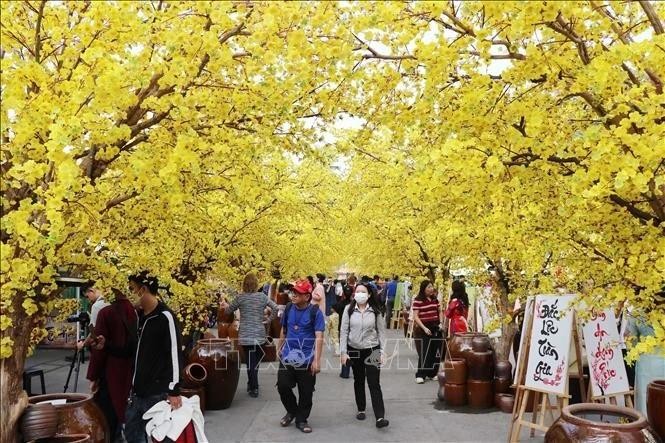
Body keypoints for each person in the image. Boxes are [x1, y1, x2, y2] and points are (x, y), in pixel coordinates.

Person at [124, 272, 184, 443]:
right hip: (137, 392)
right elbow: (135, 351)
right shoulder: (139, 318)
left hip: (158, 393)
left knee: (161, 437)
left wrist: (174, 390)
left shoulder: (165, 317)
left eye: (132, 289)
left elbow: (174, 353)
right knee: (132, 435)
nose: (129, 294)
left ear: (143, 290)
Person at [86, 288, 137, 441]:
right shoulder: (135, 311)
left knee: (107, 415)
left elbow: (99, 349)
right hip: (131, 369)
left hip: (111, 371)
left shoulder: (106, 312)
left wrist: (93, 376)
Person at [277, 279, 325, 434]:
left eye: (298, 293)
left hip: (306, 359)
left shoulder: (315, 312)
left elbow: (319, 337)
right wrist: (279, 348)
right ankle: (292, 411)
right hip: (287, 356)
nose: (294, 295)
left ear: (307, 296)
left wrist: (317, 361)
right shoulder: (289, 308)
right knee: (283, 386)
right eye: (293, 292)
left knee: (306, 392)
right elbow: (284, 329)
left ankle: (301, 419)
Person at [220, 272, 279, 398]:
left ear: (244, 284)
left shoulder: (241, 298)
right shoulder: (262, 297)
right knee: (255, 361)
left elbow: (228, 311)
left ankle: (253, 385)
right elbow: (275, 308)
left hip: (245, 334)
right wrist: (268, 320)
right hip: (259, 333)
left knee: (250, 361)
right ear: (256, 284)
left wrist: (225, 305)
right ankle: (253, 385)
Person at [340, 283, 389, 428]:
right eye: (357, 291)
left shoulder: (375, 311)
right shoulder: (348, 310)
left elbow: (382, 332)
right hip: (354, 349)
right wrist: (343, 352)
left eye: (363, 292)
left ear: (369, 295)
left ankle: (380, 417)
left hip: (372, 349)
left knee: (374, 382)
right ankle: (361, 408)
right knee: (359, 380)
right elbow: (344, 332)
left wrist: (382, 351)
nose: (360, 294)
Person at [624, 288, 665, 415]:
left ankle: (646, 430)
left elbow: (630, 340)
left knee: (645, 397)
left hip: (646, 360)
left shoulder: (637, 313)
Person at [412, 279, 444, 384]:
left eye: (432, 287)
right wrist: (424, 328)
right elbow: (416, 316)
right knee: (425, 351)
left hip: (436, 326)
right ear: (424, 288)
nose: (431, 289)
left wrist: (441, 322)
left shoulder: (435, 299)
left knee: (435, 351)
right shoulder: (418, 300)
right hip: (424, 328)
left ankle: (432, 373)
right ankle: (420, 374)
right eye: (429, 287)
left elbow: (439, 311)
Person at [335, 278, 354, 378]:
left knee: (344, 349)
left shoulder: (341, 304)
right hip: (352, 328)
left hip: (342, 327)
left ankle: (344, 372)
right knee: (351, 349)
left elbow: (334, 309)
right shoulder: (353, 305)